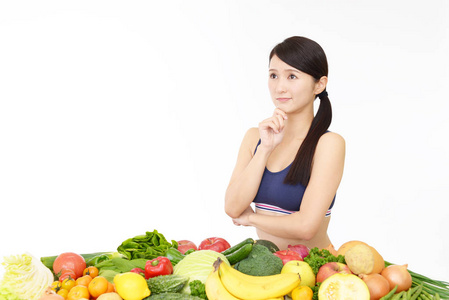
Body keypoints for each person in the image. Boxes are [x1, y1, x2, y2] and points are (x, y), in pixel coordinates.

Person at [225, 36, 345, 251]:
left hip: (316, 273)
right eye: (273, 75)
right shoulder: (255, 138)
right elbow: (233, 207)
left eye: (292, 76)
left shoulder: (328, 144)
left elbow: (306, 226)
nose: (280, 87)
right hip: (268, 268)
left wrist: (252, 219)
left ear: (319, 84)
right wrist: (265, 150)